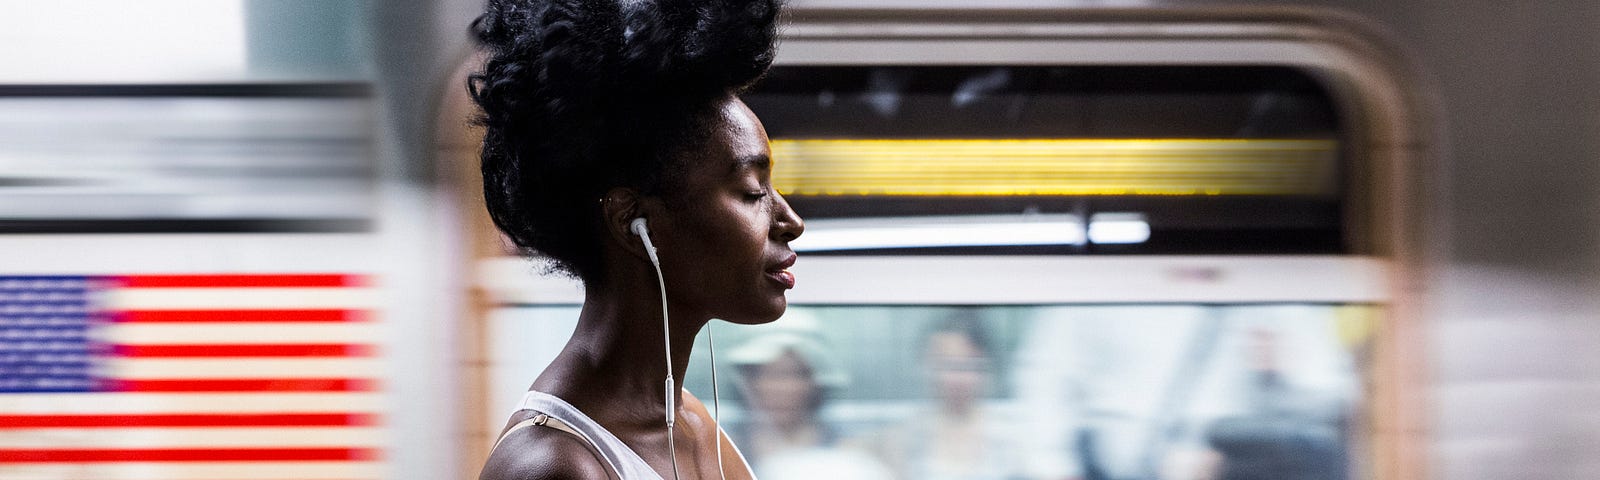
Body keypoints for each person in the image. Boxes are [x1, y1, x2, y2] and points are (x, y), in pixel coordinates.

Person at [468, 0, 801, 479]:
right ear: (633, 221)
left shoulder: (694, 425)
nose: (790, 220)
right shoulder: (554, 465)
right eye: (752, 192)